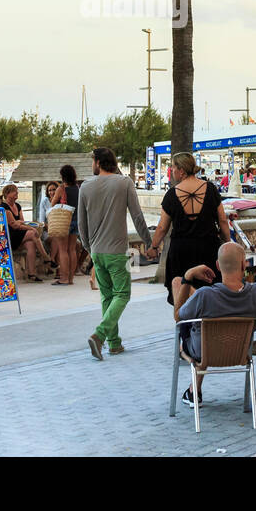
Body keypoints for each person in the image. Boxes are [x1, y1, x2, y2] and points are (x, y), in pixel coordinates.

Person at [173, 242, 256, 405]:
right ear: (244, 264)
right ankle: (194, 388)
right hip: (241, 353)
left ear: (218, 266)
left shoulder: (204, 295)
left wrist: (188, 276)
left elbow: (178, 316)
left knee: (186, 314)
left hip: (203, 353)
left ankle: (188, 369)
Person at [78, 147, 152, 360]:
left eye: (93, 161)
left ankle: (114, 343)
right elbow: (137, 216)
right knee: (123, 294)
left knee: (107, 296)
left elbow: (81, 223)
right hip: (118, 251)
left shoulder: (85, 186)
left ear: (99, 162)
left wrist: (88, 248)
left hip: (97, 252)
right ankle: (100, 335)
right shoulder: (124, 182)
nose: (92, 165)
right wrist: (148, 241)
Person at [146, 152, 229, 306]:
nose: (171, 170)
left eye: (173, 167)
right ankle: (206, 328)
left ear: (181, 170)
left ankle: (184, 328)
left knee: (181, 296)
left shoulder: (171, 194)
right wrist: (228, 243)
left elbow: (162, 227)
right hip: (208, 249)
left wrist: (153, 247)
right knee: (210, 294)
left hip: (181, 252)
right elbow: (223, 220)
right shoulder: (210, 189)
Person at [1, 183, 46, 282]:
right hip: (10, 236)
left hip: (19, 234)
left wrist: (20, 223)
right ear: (8, 194)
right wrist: (31, 228)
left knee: (31, 244)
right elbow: (13, 225)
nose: (17, 193)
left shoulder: (17, 205)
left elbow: (22, 222)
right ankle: (46, 258)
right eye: (15, 191)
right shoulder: (4, 207)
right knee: (33, 234)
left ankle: (31, 274)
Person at [59, 164, 82, 284]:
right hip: (76, 220)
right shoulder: (77, 188)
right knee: (72, 250)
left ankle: (64, 278)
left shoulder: (62, 188)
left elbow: (52, 204)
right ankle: (71, 278)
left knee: (63, 250)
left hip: (64, 222)